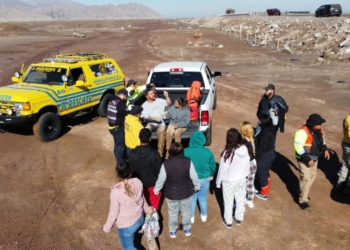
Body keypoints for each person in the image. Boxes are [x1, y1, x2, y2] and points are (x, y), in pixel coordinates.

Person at [103, 160, 155, 249]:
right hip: (140, 219)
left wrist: (107, 227)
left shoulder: (116, 192)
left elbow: (113, 213)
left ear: (117, 174)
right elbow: (143, 199)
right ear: (130, 172)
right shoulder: (138, 181)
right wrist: (148, 209)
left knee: (128, 248)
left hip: (126, 226)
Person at [154, 142, 200, 238]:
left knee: (173, 212)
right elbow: (194, 176)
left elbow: (161, 178)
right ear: (182, 151)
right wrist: (196, 185)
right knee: (186, 211)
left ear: (170, 151)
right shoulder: (188, 161)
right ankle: (187, 229)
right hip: (186, 192)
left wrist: (157, 189)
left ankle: (173, 231)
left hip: (171, 193)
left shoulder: (166, 163)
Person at [294, 114, 330, 210]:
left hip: (314, 158)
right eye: (319, 124)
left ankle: (301, 191)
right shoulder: (302, 132)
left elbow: (322, 141)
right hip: (304, 159)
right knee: (305, 178)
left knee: (311, 177)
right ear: (314, 124)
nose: (321, 126)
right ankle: (303, 200)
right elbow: (298, 148)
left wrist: (325, 150)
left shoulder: (319, 131)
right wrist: (308, 159)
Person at [216, 128, 250, 227]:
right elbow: (247, 166)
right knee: (240, 200)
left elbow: (222, 170)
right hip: (242, 181)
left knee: (228, 202)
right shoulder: (245, 150)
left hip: (229, 182)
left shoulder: (227, 153)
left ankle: (228, 221)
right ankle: (239, 218)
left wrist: (218, 183)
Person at [184, 131, 216, 224]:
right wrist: (211, 174)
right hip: (204, 179)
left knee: (192, 199)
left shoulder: (185, 151)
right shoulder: (207, 152)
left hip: (190, 180)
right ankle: (204, 215)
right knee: (202, 198)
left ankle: (191, 217)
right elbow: (212, 165)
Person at [129, 128, 163, 210]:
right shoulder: (154, 153)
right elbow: (160, 171)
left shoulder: (132, 154)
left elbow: (130, 171)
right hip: (153, 185)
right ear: (150, 139)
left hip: (137, 186)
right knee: (153, 208)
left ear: (139, 138)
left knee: (140, 206)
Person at [142, 88, 171, 157]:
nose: (153, 95)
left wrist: (166, 96)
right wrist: (155, 118)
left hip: (160, 124)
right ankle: (145, 151)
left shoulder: (159, 100)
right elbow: (146, 117)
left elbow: (169, 103)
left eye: (153, 93)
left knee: (161, 135)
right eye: (151, 94)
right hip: (150, 123)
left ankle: (159, 154)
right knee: (145, 134)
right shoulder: (144, 105)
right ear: (147, 96)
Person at [254, 115, 276, 200]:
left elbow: (261, 149)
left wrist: (256, 159)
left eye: (259, 120)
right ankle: (265, 188)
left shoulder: (265, 134)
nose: (258, 122)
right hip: (271, 153)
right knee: (265, 171)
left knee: (261, 170)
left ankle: (264, 193)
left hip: (265, 154)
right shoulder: (271, 129)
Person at [107, 89, 129, 163]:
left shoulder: (112, 100)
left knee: (117, 145)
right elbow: (125, 112)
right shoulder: (120, 103)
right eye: (126, 96)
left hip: (112, 127)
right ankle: (120, 163)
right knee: (120, 146)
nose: (126, 98)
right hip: (118, 128)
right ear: (123, 95)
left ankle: (118, 159)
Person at [240, 121, 257, 208]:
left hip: (247, 165)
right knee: (251, 182)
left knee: (243, 183)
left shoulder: (243, 143)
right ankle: (250, 199)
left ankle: (242, 199)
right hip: (253, 163)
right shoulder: (252, 139)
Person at [336, 112, 350, 193]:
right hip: (349, 145)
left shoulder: (347, 117)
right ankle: (348, 187)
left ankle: (340, 183)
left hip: (345, 143)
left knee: (345, 164)